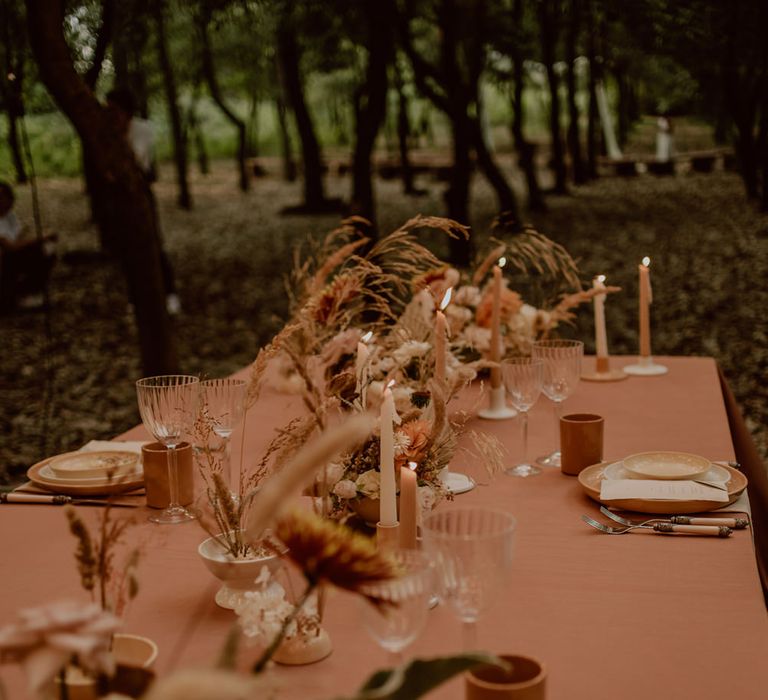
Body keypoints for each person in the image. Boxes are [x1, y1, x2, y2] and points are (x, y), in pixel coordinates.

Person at [105, 88, 181, 315]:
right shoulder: (106, 131)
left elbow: (138, 160)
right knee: (126, 248)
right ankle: (135, 297)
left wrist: (120, 138)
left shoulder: (142, 129)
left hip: (140, 193)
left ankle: (170, 294)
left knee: (154, 243)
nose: (112, 114)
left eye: (115, 109)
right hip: (118, 195)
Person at [0, 181, 56, 312]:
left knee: (46, 250)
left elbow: (18, 236)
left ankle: (28, 292)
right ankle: (18, 296)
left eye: (2, 197)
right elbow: (10, 247)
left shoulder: (9, 216)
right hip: (4, 263)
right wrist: (40, 238)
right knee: (36, 250)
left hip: (9, 260)